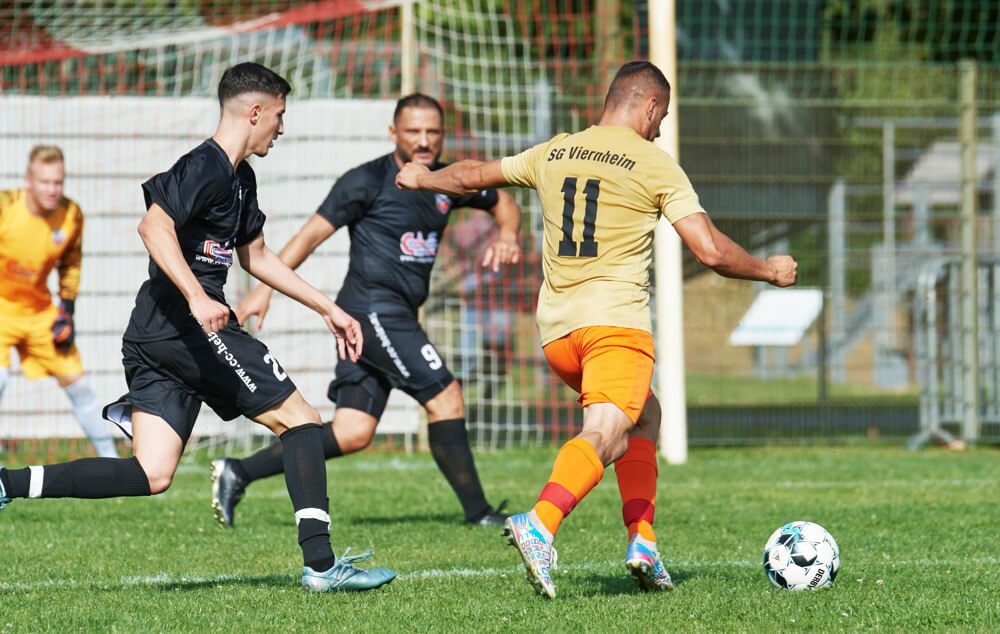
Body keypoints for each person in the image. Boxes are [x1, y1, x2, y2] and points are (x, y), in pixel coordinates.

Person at [397, 61, 798, 598]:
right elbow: (710, 251)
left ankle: (644, 542)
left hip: (559, 335)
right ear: (650, 106)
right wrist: (769, 270)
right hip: (615, 326)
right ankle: (539, 523)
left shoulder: (555, 150)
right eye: (663, 117)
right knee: (607, 433)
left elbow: (472, 175)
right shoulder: (654, 163)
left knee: (645, 415)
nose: (659, 129)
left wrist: (423, 178)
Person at [0, 62, 395, 593]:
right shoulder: (205, 166)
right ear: (254, 112)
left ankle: (8, 483)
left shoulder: (240, 178)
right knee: (302, 423)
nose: (282, 128)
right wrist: (196, 296)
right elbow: (153, 224)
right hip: (190, 328)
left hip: (154, 333)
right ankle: (322, 567)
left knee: (151, 473)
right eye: (279, 116)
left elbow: (257, 257)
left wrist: (327, 307)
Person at [210, 93, 521, 528]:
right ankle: (479, 512)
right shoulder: (365, 181)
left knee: (353, 432)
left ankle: (237, 471)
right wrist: (265, 291)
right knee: (446, 396)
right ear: (394, 133)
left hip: (393, 316)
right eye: (414, 131)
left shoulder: (446, 180)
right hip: (372, 312)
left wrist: (507, 234)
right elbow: (309, 236)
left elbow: (501, 199)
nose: (424, 140)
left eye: (433, 131)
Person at [0, 146, 117, 458]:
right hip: (1, 308)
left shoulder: (71, 215)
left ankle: (112, 463)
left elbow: (71, 264)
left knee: (79, 385)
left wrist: (67, 312)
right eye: (44, 182)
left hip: (39, 312)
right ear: (28, 181)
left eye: (58, 182)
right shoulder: (5, 206)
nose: (52, 190)